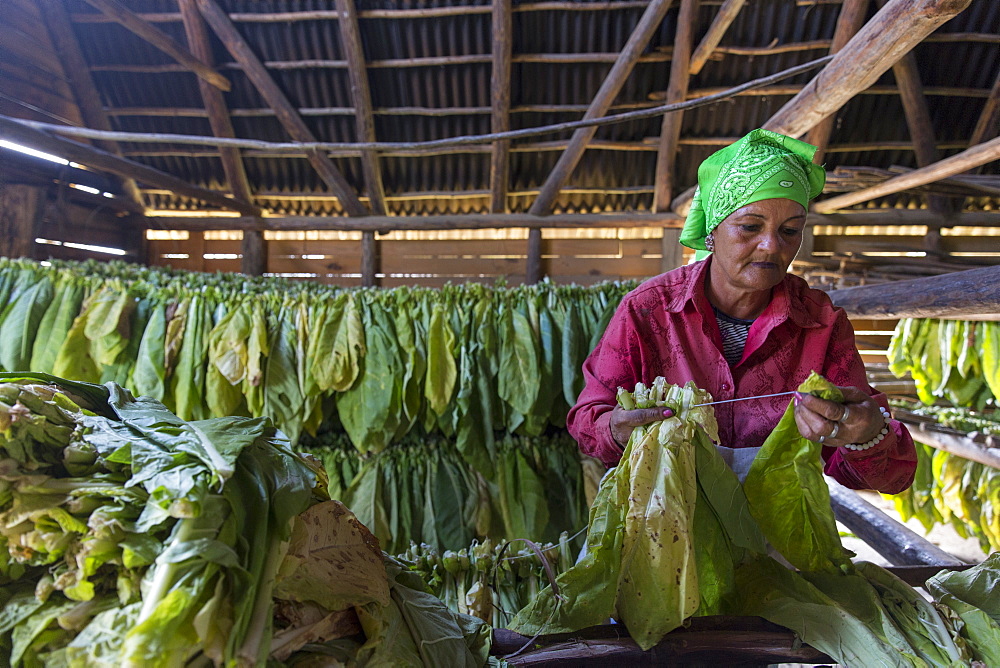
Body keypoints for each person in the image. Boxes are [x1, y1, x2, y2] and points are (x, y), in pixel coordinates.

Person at [567, 129, 916, 493]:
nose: (771, 245)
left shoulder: (821, 325)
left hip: (776, 532)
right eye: (750, 227)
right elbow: (587, 421)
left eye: (790, 231)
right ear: (712, 233)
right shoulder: (649, 310)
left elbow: (890, 478)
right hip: (664, 525)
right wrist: (615, 429)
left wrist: (866, 434)